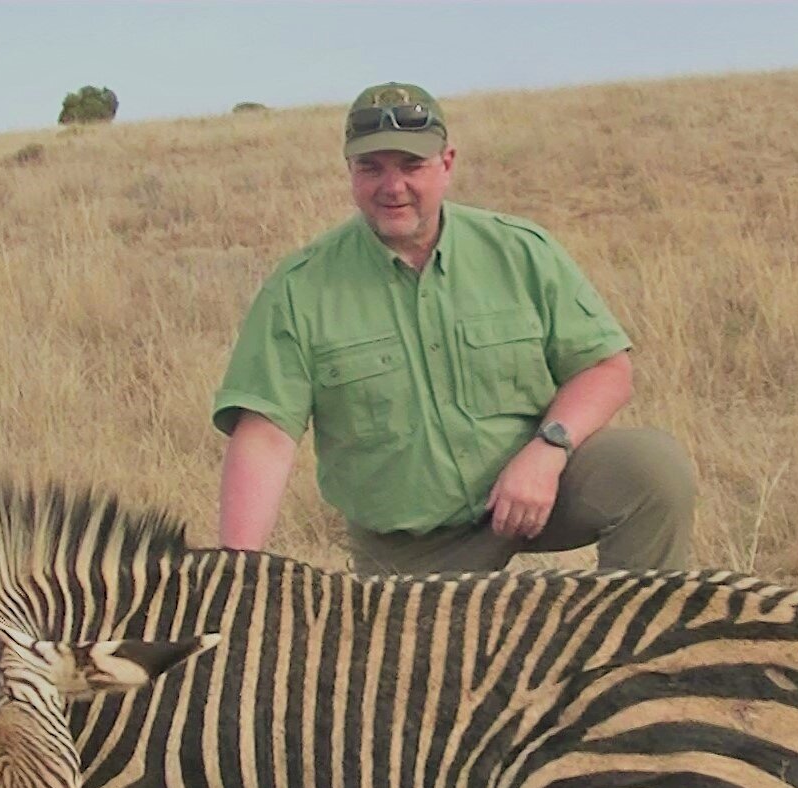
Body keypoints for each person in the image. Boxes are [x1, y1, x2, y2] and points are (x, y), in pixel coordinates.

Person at [213, 82, 695, 575]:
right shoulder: (300, 286)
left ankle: (633, 640)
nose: (392, 186)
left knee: (652, 468)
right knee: (417, 655)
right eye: (371, 168)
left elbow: (605, 369)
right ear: (350, 173)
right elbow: (265, 437)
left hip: (530, 489)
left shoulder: (520, 250)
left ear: (447, 163)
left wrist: (548, 450)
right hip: (411, 546)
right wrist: (235, 573)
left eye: (411, 165)